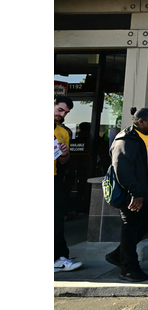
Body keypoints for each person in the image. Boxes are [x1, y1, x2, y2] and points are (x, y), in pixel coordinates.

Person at [106, 107, 148, 282]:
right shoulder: (127, 139)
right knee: (130, 228)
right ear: (140, 121)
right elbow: (122, 168)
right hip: (134, 195)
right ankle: (128, 268)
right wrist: (135, 192)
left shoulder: (147, 136)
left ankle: (119, 254)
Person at [54, 96, 83, 273]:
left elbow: (64, 160)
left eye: (66, 112)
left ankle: (58, 257)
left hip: (54, 177)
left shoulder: (63, 132)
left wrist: (64, 153)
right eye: (60, 110)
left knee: (56, 218)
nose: (62, 115)